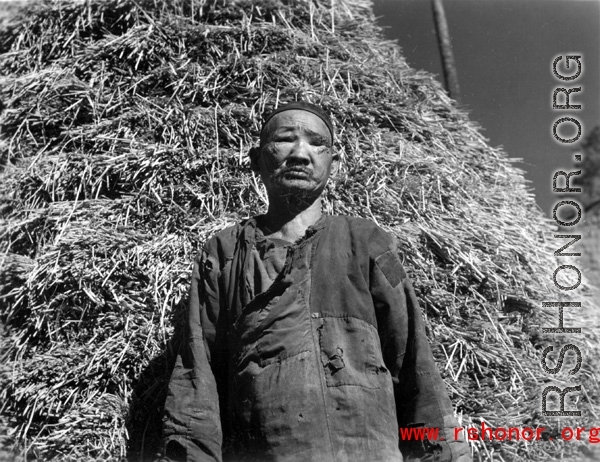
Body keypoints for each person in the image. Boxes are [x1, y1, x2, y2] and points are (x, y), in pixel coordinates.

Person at [162, 101, 471, 462]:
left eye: (316, 143)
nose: (300, 154)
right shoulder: (225, 252)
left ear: (333, 164)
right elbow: (197, 375)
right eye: (284, 140)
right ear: (256, 158)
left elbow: (414, 362)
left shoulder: (366, 242)